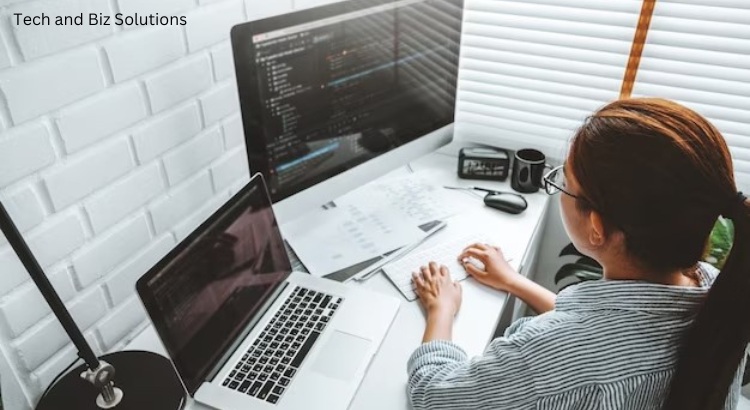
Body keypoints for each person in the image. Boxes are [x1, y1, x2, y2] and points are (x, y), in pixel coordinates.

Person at [407, 98, 749, 410]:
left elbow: (433, 396)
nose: (559, 190)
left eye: (563, 183)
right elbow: (617, 327)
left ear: (596, 226)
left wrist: (442, 310)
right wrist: (515, 282)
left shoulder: (550, 355)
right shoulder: (716, 289)